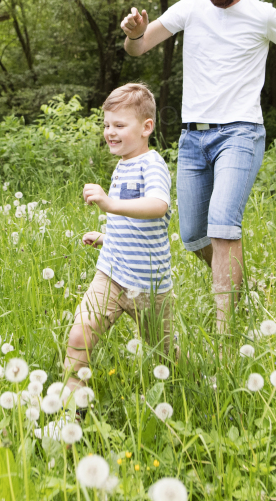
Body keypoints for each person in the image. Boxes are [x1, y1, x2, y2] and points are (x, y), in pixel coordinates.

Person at [120, 0, 276, 333]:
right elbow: (138, 49)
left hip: (241, 133)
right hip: (193, 138)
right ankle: (243, 286)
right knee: (192, 234)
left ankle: (226, 336)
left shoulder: (264, 15)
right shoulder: (191, 7)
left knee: (224, 223)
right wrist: (135, 33)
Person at [63, 83, 174, 394]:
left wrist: (109, 204)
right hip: (111, 273)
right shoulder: (122, 165)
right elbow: (130, 218)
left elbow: (157, 206)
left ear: (146, 127)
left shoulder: (153, 165)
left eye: (119, 125)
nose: (110, 132)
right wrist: (106, 237)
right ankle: (69, 412)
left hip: (148, 284)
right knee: (79, 336)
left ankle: (194, 390)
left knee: (165, 355)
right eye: (107, 125)